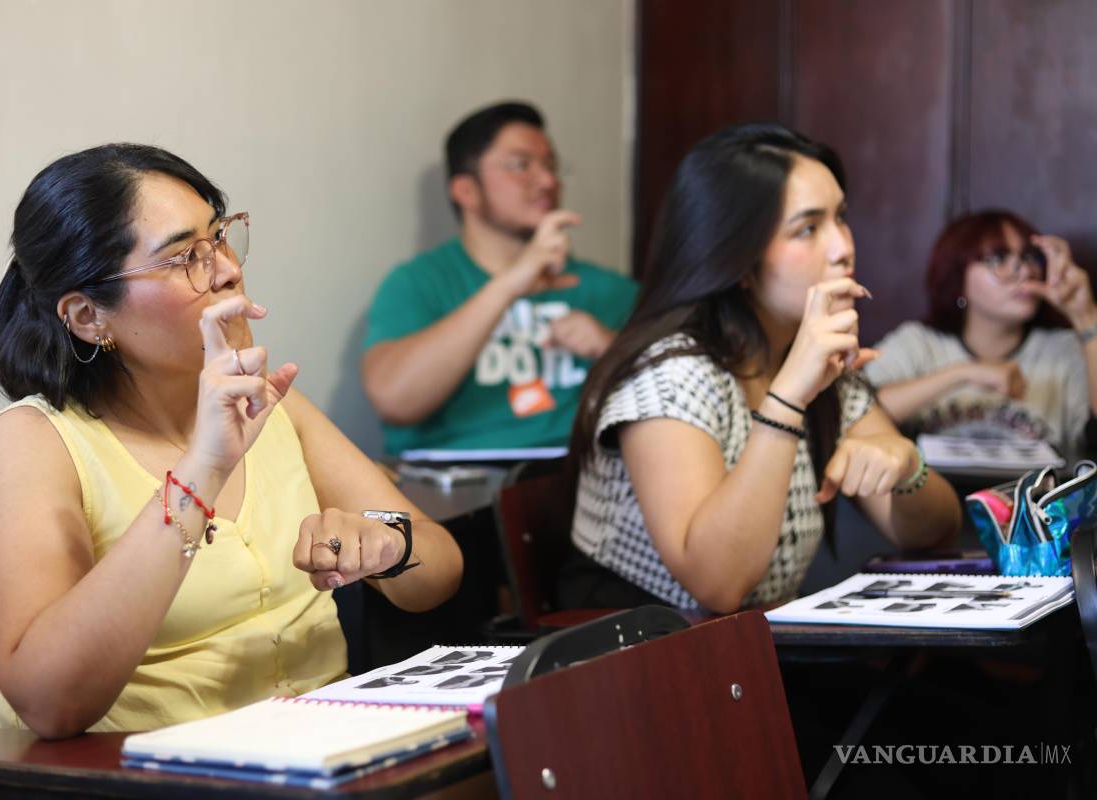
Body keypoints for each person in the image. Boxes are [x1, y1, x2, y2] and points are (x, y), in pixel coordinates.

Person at [0, 143, 463, 738]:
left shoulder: (273, 406)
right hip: (144, 776)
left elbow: (440, 567)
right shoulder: (34, 442)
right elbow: (48, 703)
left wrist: (388, 547)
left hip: (326, 750)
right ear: (89, 316)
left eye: (219, 237)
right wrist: (204, 468)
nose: (227, 269)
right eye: (182, 258)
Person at [561, 123, 960, 613]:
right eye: (808, 228)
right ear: (739, 260)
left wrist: (905, 464)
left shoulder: (814, 362)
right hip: (641, 657)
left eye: (841, 218)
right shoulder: (670, 373)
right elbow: (718, 584)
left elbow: (933, 531)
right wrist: (789, 398)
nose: (843, 248)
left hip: (755, 652)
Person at [361, 101, 638, 455]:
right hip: (447, 491)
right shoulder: (416, 283)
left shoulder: (609, 291)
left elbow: (687, 396)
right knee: (386, 514)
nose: (548, 181)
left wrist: (609, 348)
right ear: (466, 191)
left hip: (575, 485)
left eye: (551, 165)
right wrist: (508, 286)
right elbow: (393, 400)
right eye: (521, 165)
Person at [863, 210, 1097, 461]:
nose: (1024, 271)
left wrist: (1085, 315)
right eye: (999, 258)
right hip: (934, 497)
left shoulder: (1063, 349)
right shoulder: (919, 343)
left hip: (1035, 497)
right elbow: (859, 413)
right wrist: (964, 372)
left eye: (1028, 257)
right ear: (957, 278)